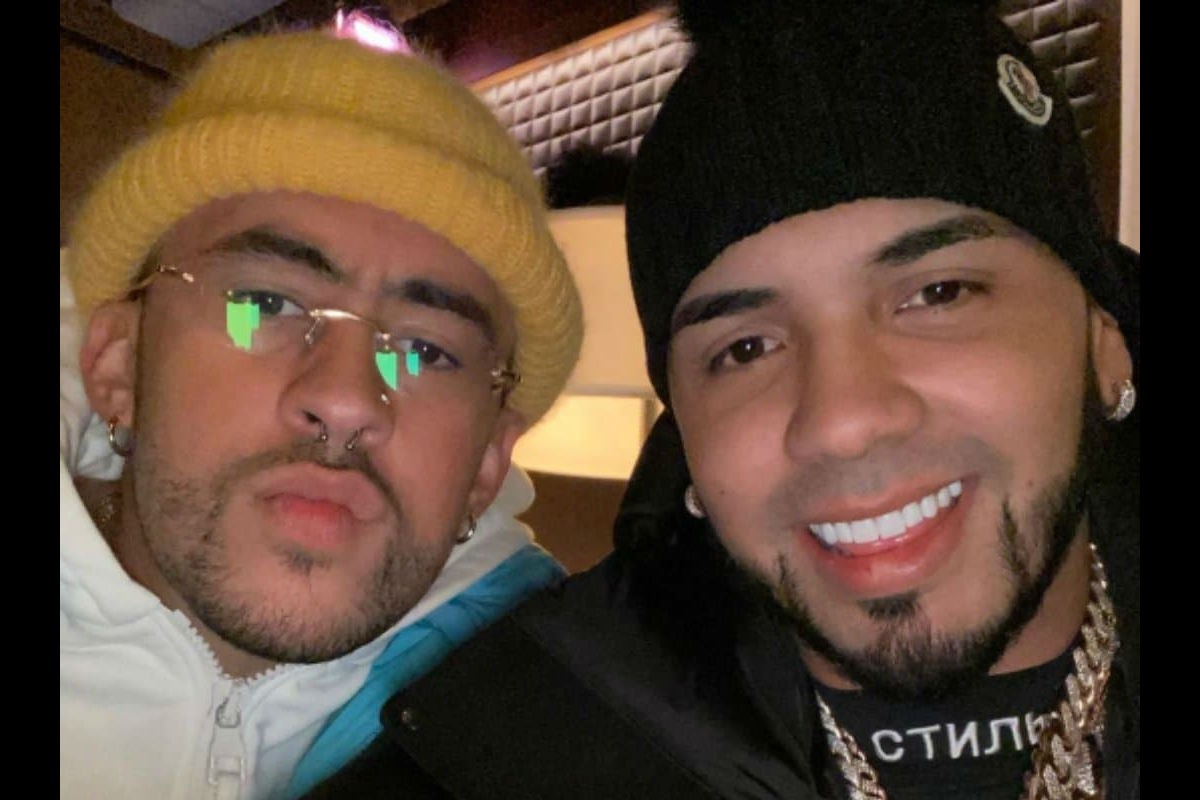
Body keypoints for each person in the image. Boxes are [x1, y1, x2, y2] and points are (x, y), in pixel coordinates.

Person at [299, 0, 1140, 798]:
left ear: (1106, 343)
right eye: (745, 349)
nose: (841, 422)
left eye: (939, 294)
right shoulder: (490, 758)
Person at [59, 26, 584, 800]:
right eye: (263, 305)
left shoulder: (564, 705)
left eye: (425, 351)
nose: (345, 399)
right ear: (118, 365)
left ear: (485, 465)